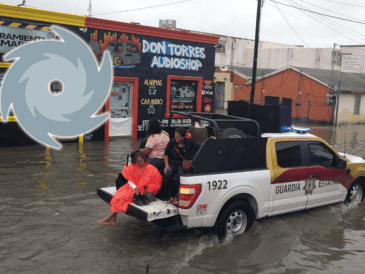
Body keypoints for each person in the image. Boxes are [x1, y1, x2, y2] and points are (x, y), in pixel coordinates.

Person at [98, 151, 162, 226]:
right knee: (118, 196)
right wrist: (135, 187)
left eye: (142, 161)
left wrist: (149, 189)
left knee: (123, 198)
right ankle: (112, 219)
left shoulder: (151, 168)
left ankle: (110, 218)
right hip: (133, 187)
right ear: (134, 161)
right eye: (138, 162)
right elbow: (130, 179)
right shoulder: (131, 166)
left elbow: (157, 181)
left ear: (144, 159)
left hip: (143, 190)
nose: (141, 163)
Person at [163, 128, 202, 204]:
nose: (176, 138)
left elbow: (200, 147)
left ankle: (178, 195)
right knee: (168, 174)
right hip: (172, 162)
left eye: (178, 136)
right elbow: (166, 155)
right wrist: (166, 166)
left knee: (180, 175)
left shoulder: (189, 142)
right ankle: (169, 194)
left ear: (183, 137)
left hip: (182, 163)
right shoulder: (172, 142)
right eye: (175, 136)